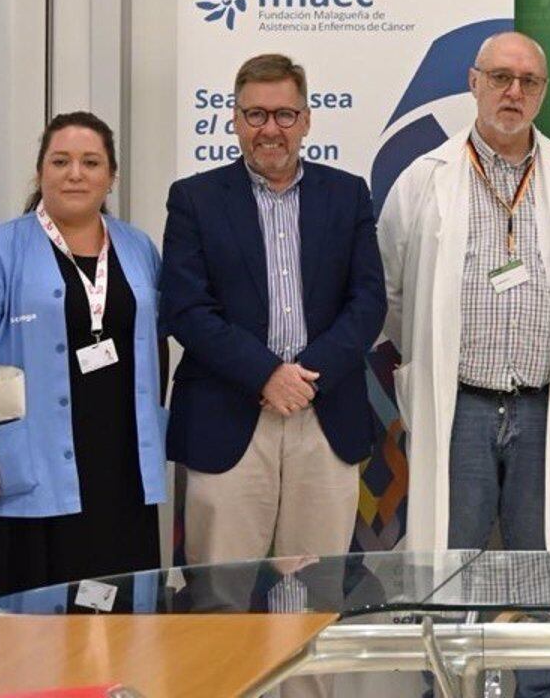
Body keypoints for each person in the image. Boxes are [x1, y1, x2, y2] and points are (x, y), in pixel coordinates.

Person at [380, 31, 550, 557]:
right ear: (474, 83)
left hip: (542, 403)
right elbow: (393, 292)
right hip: (460, 403)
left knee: (540, 554)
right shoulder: (424, 179)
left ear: (543, 92)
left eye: (529, 81)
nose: (514, 92)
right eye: (501, 78)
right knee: (453, 555)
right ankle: (454, 640)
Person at [0, 112, 166, 610]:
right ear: (40, 173)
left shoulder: (138, 247)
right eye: (60, 161)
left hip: (117, 471)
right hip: (24, 469)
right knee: (19, 630)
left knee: (114, 620)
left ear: (111, 176)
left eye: (90, 162)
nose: (75, 173)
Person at [161, 53, 386, 574]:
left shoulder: (347, 194)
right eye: (256, 115)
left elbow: (368, 300)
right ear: (235, 120)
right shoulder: (194, 199)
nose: (270, 129)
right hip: (229, 414)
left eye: (285, 115)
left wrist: (305, 379)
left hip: (323, 414)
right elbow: (187, 309)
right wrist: (266, 375)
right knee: (219, 592)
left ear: (306, 120)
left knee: (316, 591)